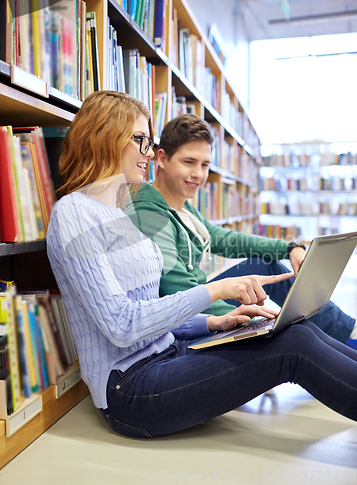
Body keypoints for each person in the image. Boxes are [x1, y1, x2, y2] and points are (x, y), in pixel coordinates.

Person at [47, 91, 357, 439]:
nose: (148, 152)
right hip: (130, 388)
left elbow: (151, 311)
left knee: (293, 331)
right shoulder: (73, 213)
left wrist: (212, 323)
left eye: (149, 142)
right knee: (294, 350)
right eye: (140, 140)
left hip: (170, 352)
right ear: (105, 135)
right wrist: (214, 291)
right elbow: (122, 326)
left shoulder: (119, 213)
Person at [128, 113, 357, 345]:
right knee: (294, 334)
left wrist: (289, 247)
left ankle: (348, 332)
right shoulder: (151, 214)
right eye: (189, 162)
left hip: (200, 295)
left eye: (205, 164)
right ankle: (347, 338)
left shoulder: (183, 207)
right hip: (187, 314)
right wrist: (246, 320)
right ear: (162, 159)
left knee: (264, 263)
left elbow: (229, 240)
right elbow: (180, 290)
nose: (198, 174)